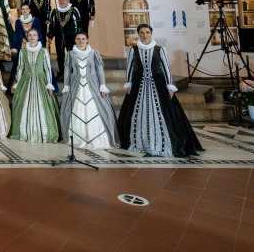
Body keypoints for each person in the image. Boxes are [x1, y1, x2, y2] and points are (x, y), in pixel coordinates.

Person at [117, 24, 203, 157]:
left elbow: (166, 67)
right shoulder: (133, 49)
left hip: (158, 85)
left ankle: (160, 141)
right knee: (134, 114)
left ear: (151, 34)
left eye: (147, 32)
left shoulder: (159, 49)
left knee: (167, 114)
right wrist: (129, 84)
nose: (145, 35)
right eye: (142, 32)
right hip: (138, 86)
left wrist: (170, 85)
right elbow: (130, 67)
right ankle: (140, 142)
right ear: (138, 34)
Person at [59, 33, 119, 149]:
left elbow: (99, 69)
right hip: (76, 85)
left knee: (100, 109)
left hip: (93, 85)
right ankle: (77, 138)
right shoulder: (70, 54)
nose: (81, 41)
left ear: (87, 40)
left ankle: (99, 137)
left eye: (83, 39)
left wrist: (102, 85)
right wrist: (66, 85)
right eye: (78, 39)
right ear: (75, 40)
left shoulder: (93, 53)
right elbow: (67, 70)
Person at [9, 29, 59, 143]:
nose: (32, 37)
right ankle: (23, 132)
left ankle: (44, 133)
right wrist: (17, 83)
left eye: (34, 35)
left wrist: (49, 84)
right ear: (27, 37)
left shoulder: (43, 51)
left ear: (38, 37)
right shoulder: (23, 51)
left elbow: (47, 68)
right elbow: (20, 68)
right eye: (30, 35)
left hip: (41, 80)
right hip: (26, 80)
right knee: (21, 103)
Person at [48, 0, 81, 82]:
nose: (62, 2)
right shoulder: (54, 11)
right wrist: (50, 36)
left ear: (68, 1)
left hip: (72, 37)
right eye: (60, 0)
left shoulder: (74, 10)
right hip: (59, 37)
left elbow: (78, 24)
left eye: (64, 0)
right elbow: (52, 25)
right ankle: (62, 72)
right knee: (60, 56)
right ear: (58, 1)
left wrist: (78, 36)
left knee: (72, 55)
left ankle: (73, 72)